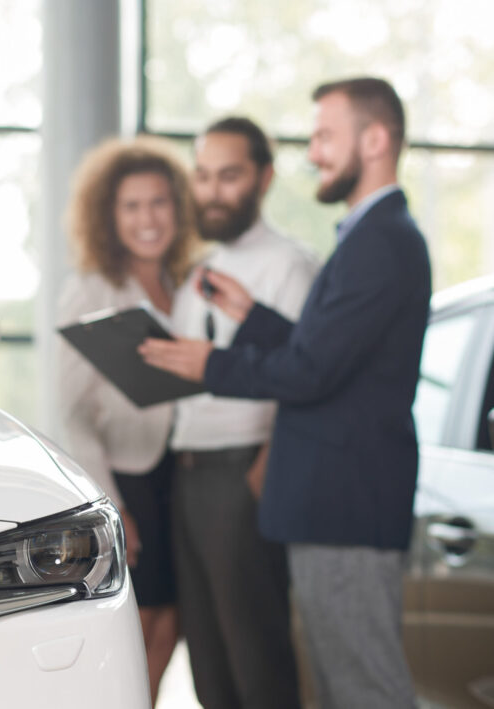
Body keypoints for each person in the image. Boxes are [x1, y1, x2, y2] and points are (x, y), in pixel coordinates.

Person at [140, 77, 432, 709]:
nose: (315, 152)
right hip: (334, 504)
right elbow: (323, 353)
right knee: (340, 687)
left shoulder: (381, 240)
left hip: (346, 506)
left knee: (363, 689)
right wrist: (256, 318)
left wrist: (210, 363)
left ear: (376, 139)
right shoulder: (366, 237)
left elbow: (308, 374)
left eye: (326, 136)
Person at [168, 117, 319, 709]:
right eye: (203, 176)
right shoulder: (198, 272)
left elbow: (307, 374)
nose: (211, 191)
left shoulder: (290, 265)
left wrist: (269, 463)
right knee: (209, 663)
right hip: (188, 475)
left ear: (264, 178)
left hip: (243, 474)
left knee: (257, 660)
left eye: (228, 176)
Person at [56, 137, 199, 705]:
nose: (147, 219)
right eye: (132, 206)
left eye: (158, 203)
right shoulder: (90, 290)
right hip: (129, 476)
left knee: (173, 618)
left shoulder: (187, 283)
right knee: (139, 619)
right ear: (108, 216)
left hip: (182, 471)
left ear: (178, 209)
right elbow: (72, 410)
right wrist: (113, 506)